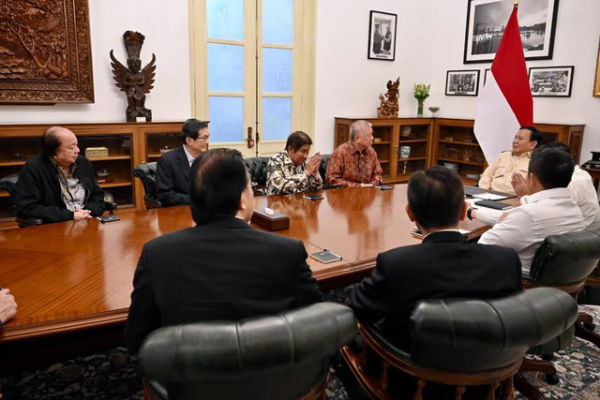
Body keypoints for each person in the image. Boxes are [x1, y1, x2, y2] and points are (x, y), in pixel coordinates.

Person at [125, 148, 323, 353]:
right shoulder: (288, 251)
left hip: (190, 379)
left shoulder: (156, 254)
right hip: (277, 375)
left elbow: (136, 340)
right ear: (242, 199)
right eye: (250, 187)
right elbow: (317, 320)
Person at [349, 166, 522, 348]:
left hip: (413, 368)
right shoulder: (506, 260)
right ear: (464, 211)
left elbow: (359, 305)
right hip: (492, 361)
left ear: (410, 213)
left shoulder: (396, 265)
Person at [479, 147, 587, 275]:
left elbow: (482, 248)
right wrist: (474, 213)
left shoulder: (529, 214)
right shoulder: (575, 210)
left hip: (518, 284)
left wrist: (501, 223)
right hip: (556, 286)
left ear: (533, 178)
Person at [472, 142, 600, 233]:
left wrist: (524, 196)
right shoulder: (580, 174)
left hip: (571, 238)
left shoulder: (569, 184)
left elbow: (526, 216)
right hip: (579, 243)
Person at [14, 126, 105, 223]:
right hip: (57, 224)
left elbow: (97, 195)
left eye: (77, 145)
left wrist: (88, 212)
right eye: (71, 147)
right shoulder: (34, 168)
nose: (78, 150)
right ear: (54, 152)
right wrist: (70, 215)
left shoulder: (83, 163)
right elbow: (28, 207)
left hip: (88, 219)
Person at [156, 119, 210, 206]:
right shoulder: (167, 161)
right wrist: (197, 200)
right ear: (189, 140)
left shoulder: (208, 158)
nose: (207, 142)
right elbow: (165, 196)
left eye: (208, 137)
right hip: (179, 211)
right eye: (204, 138)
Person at [478, 126, 543, 194]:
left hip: (516, 200)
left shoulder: (536, 162)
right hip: (490, 196)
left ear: (533, 144)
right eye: (515, 137)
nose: (515, 141)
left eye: (520, 139)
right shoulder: (503, 156)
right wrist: (483, 193)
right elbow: (487, 176)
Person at [326, 120, 383, 188]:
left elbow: (378, 174)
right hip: (345, 195)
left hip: (368, 193)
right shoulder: (340, 152)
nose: (372, 138)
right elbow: (332, 180)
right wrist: (359, 186)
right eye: (369, 135)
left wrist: (371, 184)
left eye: (372, 134)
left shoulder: (371, 151)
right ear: (357, 138)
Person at [265, 131, 323, 195]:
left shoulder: (307, 161)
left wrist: (314, 173)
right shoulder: (276, 160)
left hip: (300, 201)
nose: (306, 156)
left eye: (308, 151)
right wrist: (306, 173)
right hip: (278, 201)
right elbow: (280, 185)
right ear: (290, 149)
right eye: (303, 151)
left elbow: (317, 188)